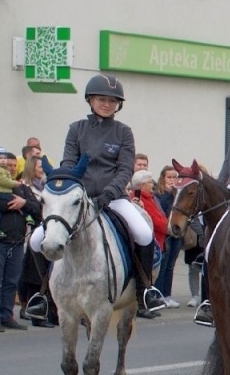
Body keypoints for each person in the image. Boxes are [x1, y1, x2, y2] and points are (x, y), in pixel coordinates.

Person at [30, 73, 165, 319]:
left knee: (144, 233)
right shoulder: (76, 129)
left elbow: (125, 168)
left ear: (118, 105)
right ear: (90, 100)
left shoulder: (123, 132)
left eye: (112, 101)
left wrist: (108, 194)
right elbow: (69, 163)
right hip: (78, 200)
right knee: (36, 239)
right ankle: (45, 296)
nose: (106, 104)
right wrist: (76, 193)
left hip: (112, 198)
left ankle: (145, 290)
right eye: (101, 99)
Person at [0, 152, 39, 332]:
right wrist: (12, 204)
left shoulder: (22, 187)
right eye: (7, 165)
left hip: (16, 241)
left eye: (14, 165)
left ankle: (7, 315)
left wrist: (24, 203)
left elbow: (37, 208)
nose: (11, 168)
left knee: (11, 281)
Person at [155, 166, 184, 310]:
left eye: (174, 177)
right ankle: (159, 295)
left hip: (176, 233)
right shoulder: (159, 194)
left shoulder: (178, 194)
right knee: (163, 265)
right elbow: (163, 210)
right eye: (169, 177)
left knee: (171, 265)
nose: (172, 180)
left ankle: (167, 295)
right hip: (165, 234)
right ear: (163, 178)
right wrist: (168, 193)